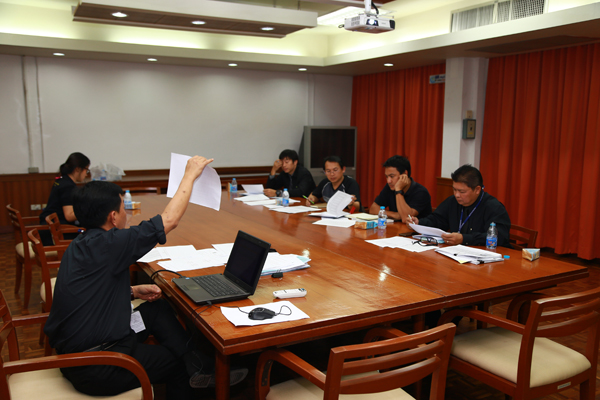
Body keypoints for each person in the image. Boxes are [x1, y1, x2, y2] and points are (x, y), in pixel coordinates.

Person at [44, 156, 247, 399]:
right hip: (99, 363)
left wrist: (131, 291)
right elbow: (169, 220)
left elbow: (89, 290)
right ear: (113, 217)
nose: (125, 213)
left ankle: (197, 362)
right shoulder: (112, 244)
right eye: (123, 208)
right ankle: (190, 368)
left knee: (156, 308)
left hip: (81, 347)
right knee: (175, 366)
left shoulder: (81, 243)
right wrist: (190, 175)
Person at [409, 164, 511, 247]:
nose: (457, 195)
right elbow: (437, 220)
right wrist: (419, 222)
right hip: (457, 253)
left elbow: (500, 237)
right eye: (454, 189)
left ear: (477, 190)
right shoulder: (452, 201)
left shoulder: (494, 207)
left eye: (462, 191)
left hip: (487, 256)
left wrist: (464, 239)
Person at [39, 152, 90, 245]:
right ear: (78, 169)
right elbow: (69, 216)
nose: (86, 174)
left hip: (49, 227)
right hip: (56, 233)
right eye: (86, 170)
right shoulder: (68, 186)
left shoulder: (61, 180)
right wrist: (89, 210)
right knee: (89, 234)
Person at [369, 155, 432, 222]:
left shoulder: (421, 192)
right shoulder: (390, 187)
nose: (388, 181)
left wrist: (398, 190)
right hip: (397, 227)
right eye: (386, 177)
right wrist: (394, 215)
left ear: (405, 174)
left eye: (392, 176)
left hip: (415, 228)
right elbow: (373, 209)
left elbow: (405, 218)